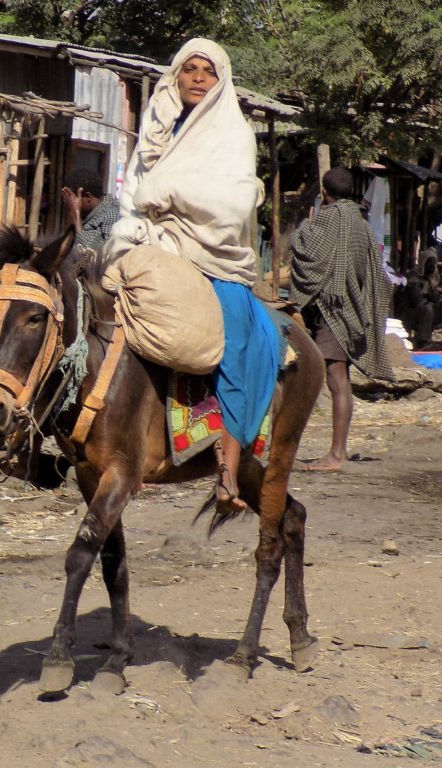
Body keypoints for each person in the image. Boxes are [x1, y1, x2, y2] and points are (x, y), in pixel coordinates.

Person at [105, 38, 279, 515]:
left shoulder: (234, 132)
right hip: (152, 242)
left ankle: (227, 471)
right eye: (190, 69)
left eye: (208, 70)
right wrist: (136, 224)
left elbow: (234, 203)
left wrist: (169, 192)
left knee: (236, 344)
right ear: (176, 76)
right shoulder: (156, 124)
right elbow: (132, 190)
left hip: (212, 253)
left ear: (221, 80)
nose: (198, 77)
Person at [289, 167, 394, 472]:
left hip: (334, 309)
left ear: (325, 192)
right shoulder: (361, 223)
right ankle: (338, 452)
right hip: (351, 307)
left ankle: (336, 454)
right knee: (340, 379)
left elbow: (306, 250)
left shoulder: (329, 218)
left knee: (337, 380)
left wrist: (304, 226)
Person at [60, 167, 120, 255]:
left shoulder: (111, 215)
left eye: (72, 199)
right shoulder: (88, 216)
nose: (69, 203)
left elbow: (91, 256)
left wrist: (76, 215)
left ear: (88, 197)